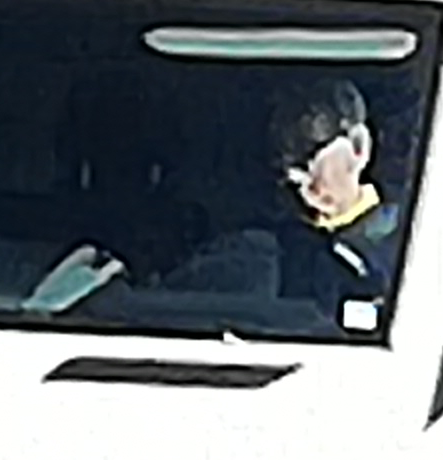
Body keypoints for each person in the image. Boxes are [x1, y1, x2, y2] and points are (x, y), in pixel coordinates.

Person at [167, 76, 409, 328]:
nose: (306, 186)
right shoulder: (263, 251)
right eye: (290, 173)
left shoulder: (410, 235)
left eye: (312, 163)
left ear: (359, 147)